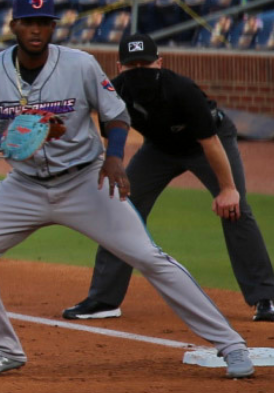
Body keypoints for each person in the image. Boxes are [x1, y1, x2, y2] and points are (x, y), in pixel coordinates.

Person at [0, 0, 254, 379]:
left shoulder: (80, 65)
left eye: (44, 22)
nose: (37, 29)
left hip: (84, 182)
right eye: (29, 22)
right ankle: (5, 348)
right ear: (14, 26)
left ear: (53, 27)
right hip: (22, 187)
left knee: (148, 257)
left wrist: (114, 158)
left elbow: (116, 114)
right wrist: (2, 142)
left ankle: (231, 345)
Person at [63, 33, 274, 323]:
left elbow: (210, 141)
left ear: (159, 63)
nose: (139, 70)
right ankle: (103, 299)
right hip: (159, 149)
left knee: (235, 209)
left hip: (206, 144)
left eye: (145, 64)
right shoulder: (115, 91)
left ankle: (266, 297)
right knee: (121, 209)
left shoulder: (181, 90)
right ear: (120, 66)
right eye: (131, 65)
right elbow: (115, 134)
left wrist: (227, 189)